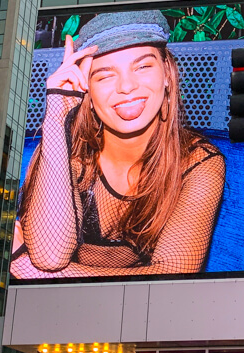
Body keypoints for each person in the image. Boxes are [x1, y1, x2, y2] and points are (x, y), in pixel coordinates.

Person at [11, 10, 226, 279]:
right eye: (105, 75)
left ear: (167, 75)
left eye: (143, 66)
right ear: (86, 89)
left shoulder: (196, 160)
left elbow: (173, 276)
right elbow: (49, 257)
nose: (126, 87)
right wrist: (56, 118)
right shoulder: (66, 152)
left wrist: (28, 270)